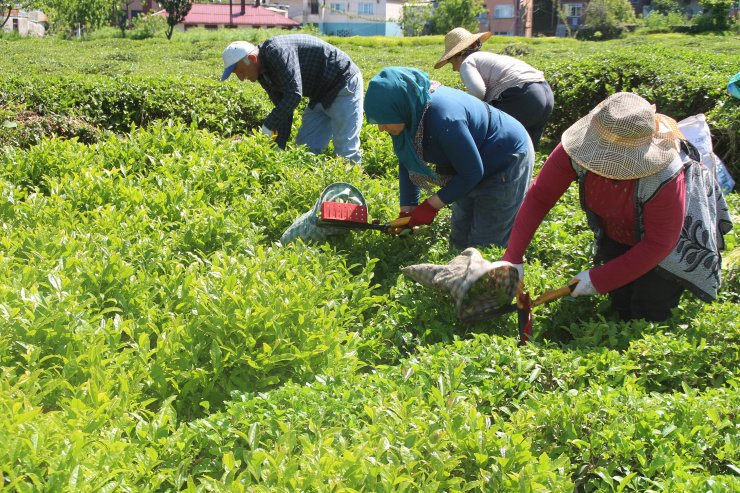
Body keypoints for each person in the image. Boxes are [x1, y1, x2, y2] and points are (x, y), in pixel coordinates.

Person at [502, 92, 733, 322]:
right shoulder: (575, 148)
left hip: (673, 237)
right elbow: (540, 197)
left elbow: (660, 242)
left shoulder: (665, 174)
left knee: (650, 306)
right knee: (620, 301)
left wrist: (597, 280)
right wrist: (513, 257)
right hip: (619, 223)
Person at [364, 67, 534, 249]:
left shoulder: (445, 120)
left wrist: (430, 206)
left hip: (505, 156)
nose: (382, 128)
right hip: (468, 162)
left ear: (400, 107)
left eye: (385, 121)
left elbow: (471, 173)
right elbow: (407, 159)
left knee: (485, 240)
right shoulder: (407, 114)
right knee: (460, 234)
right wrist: (409, 209)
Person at [220, 35, 363, 163]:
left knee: (345, 149)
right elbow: (284, 110)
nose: (240, 78)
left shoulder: (276, 51)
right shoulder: (262, 74)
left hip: (342, 83)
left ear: (252, 59)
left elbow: (294, 94)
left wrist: (268, 126)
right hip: (319, 94)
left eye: (239, 71)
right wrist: (277, 147)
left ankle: (352, 189)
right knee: (305, 150)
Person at [434, 27, 553, 148]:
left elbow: (478, 93)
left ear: (458, 55)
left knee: (488, 141)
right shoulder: (488, 57)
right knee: (526, 150)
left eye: (450, 62)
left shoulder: (467, 62)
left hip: (523, 97)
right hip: (545, 93)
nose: (453, 68)